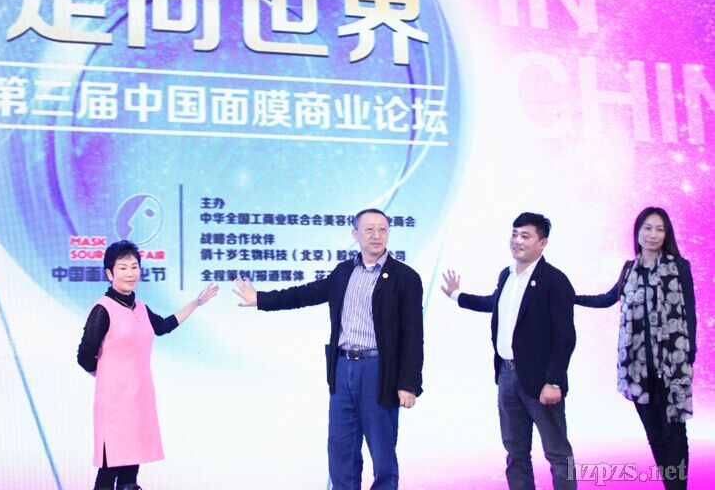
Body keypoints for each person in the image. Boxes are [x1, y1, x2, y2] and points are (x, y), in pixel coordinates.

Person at [233, 208, 424, 490]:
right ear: (355, 234)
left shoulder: (405, 277)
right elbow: (306, 293)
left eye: (382, 229)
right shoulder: (344, 271)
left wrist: (408, 383)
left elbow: (413, 334)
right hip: (342, 367)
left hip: (378, 370)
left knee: (382, 450)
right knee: (341, 448)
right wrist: (261, 299)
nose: (377, 235)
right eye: (369, 229)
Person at [440, 212, 576, 490]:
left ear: (542, 243)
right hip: (507, 375)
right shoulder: (507, 275)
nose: (517, 240)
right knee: (515, 450)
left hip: (540, 379)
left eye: (525, 235)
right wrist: (456, 295)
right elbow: (494, 303)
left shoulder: (555, 280)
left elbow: (565, 337)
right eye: (514, 234)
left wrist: (553, 381)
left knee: (558, 451)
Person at [77, 240, 219, 490]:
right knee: (110, 469)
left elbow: (163, 326)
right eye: (122, 268)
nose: (130, 273)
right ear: (110, 273)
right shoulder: (103, 309)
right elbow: (84, 356)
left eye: (134, 267)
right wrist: (108, 377)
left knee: (130, 473)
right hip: (114, 403)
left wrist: (196, 303)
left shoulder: (140, 308)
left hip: (139, 399)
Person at [575, 207, 694, 489]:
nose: (653, 234)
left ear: (667, 234)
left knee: (674, 435)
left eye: (660, 229)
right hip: (638, 370)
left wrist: (690, 356)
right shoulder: (629, 269)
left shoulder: (679, 266)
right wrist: (570, 296)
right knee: (655, 435)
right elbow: (607, 299)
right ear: (638, 232)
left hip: (671, 367)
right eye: (647, 228)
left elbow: (689, 311)